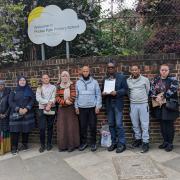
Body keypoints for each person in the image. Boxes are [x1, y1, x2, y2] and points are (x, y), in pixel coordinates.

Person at [150, 64, 179, 152]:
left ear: (168, 71)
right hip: (158, 105)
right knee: (162, 124)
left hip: (169, 105)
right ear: (160, 71)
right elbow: (151, 90)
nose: (164, 71)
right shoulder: (156, 79)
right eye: (162, 70)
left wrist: (162, 97)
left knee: (169, 125)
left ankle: (170, 143)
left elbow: (172, 90)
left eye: (166, 70)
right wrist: (155, 97)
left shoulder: (173, 80)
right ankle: (165, 142)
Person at [102, 62, 128, 153]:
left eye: (112, 67)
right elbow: (103, 91)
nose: (110, 69)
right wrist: (103, 93)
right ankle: (114, 143)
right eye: (108, 68)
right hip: (109, 105)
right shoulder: (105, 79)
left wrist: (117, 92)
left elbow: (125, 90)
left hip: (117, 104)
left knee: (119, 125)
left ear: (115, 68)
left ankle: (121, 144)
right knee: (111, 125)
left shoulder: (121, 77)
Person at [75, 66, 102, 152]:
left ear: (89, 72)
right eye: (84, 71)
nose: (85, 72)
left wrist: (98, 106)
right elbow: (76, 96)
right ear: (81, 72)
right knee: (82, 127)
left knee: (93, 126)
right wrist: (76, 106)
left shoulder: (94, 82)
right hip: (81, 108)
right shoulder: (78, 82)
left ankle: (93, 143)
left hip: (92, 108)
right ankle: (84, 143)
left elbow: (98, 95)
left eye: (87, 71)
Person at [9, 76, 35, 155]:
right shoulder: (14, 90)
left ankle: (24, 144)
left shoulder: (29, 90)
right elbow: (10, 101)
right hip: (16, 113)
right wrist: (18, 109)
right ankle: (14, 147)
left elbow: (32, 100)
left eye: (24, 80)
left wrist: (27, 108)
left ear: (26, 81)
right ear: (18, 82)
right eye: (21, 80)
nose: (22, 81)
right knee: (15, 131)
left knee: (25, 129)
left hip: (26, 113)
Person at [127, 65, 150, 153]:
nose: (134, 71)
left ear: (139, 70)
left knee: (144, 124)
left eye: (136, 70)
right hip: (133, 105)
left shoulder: (145, 79)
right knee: (135, 124)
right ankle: (138, 139)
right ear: (131, 71)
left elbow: (148, 91)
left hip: (143, 104)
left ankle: (145, 142)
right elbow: (128, 91)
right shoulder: (128, 80)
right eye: (133, 70)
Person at [56, 71, 80, 152]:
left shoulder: (72, 85)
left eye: (66, 76)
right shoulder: (58, 86)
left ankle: (71, 146)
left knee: (71, 127)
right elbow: (56, 97)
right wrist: (64, 102)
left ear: (68, 77)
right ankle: (63, 146)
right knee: (62, 127)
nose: (64, 77)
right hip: (62, 109)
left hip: (71, 109)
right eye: (63, 76)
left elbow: (74, 94)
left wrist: (69, 101)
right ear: (61, 77)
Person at [36, 74, 56, 153]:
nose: (45, 79)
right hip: (42, 109)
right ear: (42, 79)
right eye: (44, 78)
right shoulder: (39, 88)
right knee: (42, 128)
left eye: (47, 78)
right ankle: (42, 145)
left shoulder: (53, 87)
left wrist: (49, 105)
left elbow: (54, 97)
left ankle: (49, 144)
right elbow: (38, 98)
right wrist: (48, 103)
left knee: (50, 127)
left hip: (51, 109)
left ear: (49, 78)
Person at [0, 80, 11, 154]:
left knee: (6, 131)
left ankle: (6, 148)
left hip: (6, 116)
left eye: (2, 85)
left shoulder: (9, 92)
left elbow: (10, 104)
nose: (0, 86)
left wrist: (6, 114)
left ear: (4, 85)